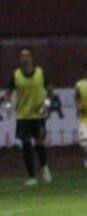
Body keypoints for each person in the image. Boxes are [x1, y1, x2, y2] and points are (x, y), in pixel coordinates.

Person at [3, 47, 55, 185]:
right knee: (26, 145)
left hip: (38, 115)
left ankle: (44, 167)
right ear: (20, 59)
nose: (24, 58)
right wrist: (8, 107)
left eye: (27, 56)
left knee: (40, 144)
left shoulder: (41, 73)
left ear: (32, 58)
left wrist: (46, 104)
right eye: (22, 56)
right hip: (23, 115)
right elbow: (8, 93)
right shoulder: (16, 75)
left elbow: (50, 90)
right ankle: (32, 176)